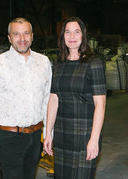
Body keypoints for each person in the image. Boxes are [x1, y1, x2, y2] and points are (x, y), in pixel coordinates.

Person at [0, 17, 52, 179]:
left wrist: (48, 133)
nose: (22, 39)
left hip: (35, 136)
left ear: (32, 35)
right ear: (9, 38)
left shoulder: (43, 62)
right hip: (9, 138)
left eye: (26, 33)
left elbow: (47, 100)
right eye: (16, 34)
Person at [43, 17, 106, 179]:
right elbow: (53, 99)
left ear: (83, 36)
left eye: (76, 32)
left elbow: (100, 104)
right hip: (62, 133)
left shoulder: (94, 63)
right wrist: (48, 132)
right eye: (67, 32)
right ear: (62, 37)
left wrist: (94, 139)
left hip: (84, 134)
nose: (72, 36)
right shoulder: (58, 64)